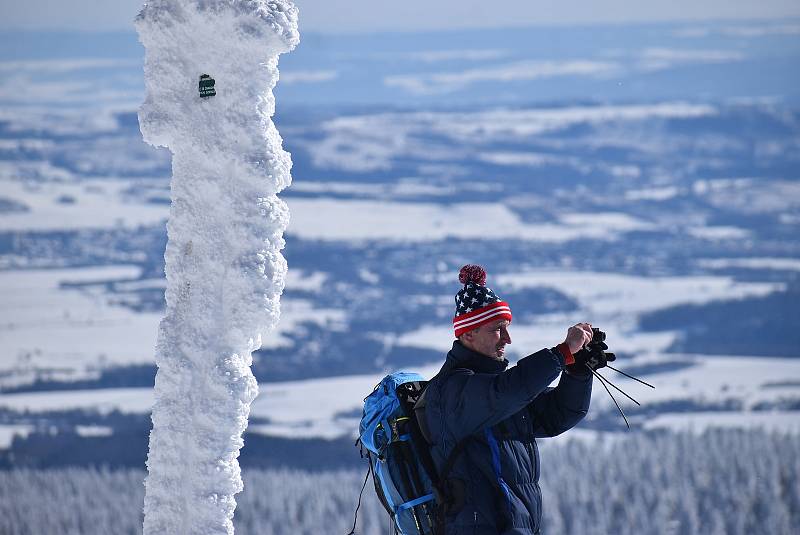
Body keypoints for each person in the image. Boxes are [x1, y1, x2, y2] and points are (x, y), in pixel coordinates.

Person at [419, 264, 600, 535]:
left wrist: (577, 371)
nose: (507, 338)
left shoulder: (495, 392)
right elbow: (509, 390)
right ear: (468, 333)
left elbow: (559, 413)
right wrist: (562, 354)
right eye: (497, 329)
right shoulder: (450, 392)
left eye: (506, 328)